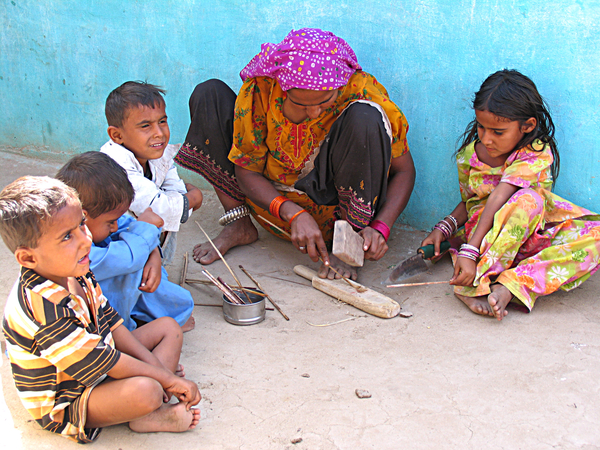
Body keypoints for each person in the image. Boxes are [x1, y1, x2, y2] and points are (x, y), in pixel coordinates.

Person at [175, 28, 415, 280]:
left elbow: (404, 170)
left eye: (324, 103)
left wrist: (381, 227)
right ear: (282, 88)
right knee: (209, 93)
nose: (314, 113)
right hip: (272, 207)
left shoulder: (360, 90)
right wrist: (293, 213)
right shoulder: (262, 89)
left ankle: (348, 246)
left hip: (332, 216)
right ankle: (239, 223)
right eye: (301, 104)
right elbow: (246, 169)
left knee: (366, 117)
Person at [0, 176, 201, 443]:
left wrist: (159, 372)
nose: (85, 240)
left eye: (81, 224)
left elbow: (112, 323)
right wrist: (164, 378)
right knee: (147, 391)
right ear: (28, 258)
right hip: (70, 396)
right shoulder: (43, 309)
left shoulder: (75, 269)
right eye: (67, 237)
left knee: (168, 328)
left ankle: (145, 396)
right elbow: (105, 361)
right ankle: (147, 413)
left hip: (99, 358)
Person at [421, 69, 600, 321]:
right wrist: (446, 227)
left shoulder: (535, 153)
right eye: (481, 128)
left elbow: (500, 196)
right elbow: (470, 202)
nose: (486, 138)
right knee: (529, 200)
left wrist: (469, 250)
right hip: (487, 243)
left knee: (589, 233)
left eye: (498, 131)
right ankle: (476, 283)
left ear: (527, 126)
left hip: (529, 240)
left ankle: (513, 283)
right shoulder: (468, 158)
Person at [57, 152, 196, 332]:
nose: (115, 227)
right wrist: (146, 228)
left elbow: (128, 227)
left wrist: (154, 255)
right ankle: (133, 329)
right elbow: (128, 257)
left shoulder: (97, 218)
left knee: (147, 266)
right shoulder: (75, 251)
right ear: (83, 216)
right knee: (136, 273)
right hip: (98, 325)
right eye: (110, 222)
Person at [100, 81, 203, 265]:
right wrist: (194, 197)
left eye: (162, 122)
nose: (159, 133)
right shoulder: (116, 166)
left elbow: (176, 190)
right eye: (145, 126)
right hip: (118, 254)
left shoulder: (157, 154)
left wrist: (180, 200)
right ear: (117, 136)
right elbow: (160, 209)